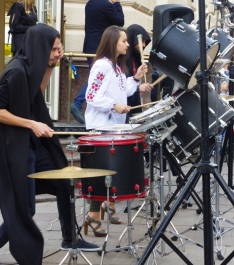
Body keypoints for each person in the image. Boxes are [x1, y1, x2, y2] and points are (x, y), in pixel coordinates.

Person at [0, 24, 99, 265]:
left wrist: (50, 65)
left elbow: (36, 92)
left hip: (31, 146)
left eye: (59, 48)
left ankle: (70, 238)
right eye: (53, 49)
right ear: (39, 47)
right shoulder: (15, 72)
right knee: (26, 209)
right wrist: (32, 124)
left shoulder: (31, 68)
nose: (57, 52)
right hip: (16, 150)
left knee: (64, 183)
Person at [82, 26, 150, 236]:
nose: (128, 44)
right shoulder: (102, 66)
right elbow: (91, 96)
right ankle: (93, 217)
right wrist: (114, 105)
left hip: (112, 127)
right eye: (123, 41)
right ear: (113, 42)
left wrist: (136, 80)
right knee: (100, 174)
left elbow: (122, 91)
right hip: (100, 127)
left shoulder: (116, 68)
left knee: (108, 174)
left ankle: (100, 212)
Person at [70, 0, 125, 124]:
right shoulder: (107, 5)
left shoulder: (90, 3)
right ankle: (78, 102)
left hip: (90, 46)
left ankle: (78, 103)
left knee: (94, 76)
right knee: (96, 78)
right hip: (101, 47)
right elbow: (120, 21)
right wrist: (117, 3)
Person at [125, 24, 152, 121]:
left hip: (133, 100)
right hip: (123, 105)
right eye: (142, 41)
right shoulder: (121, 60)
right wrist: (138, 88)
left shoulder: (135, 58)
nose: (144, 45)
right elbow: (122, 86)